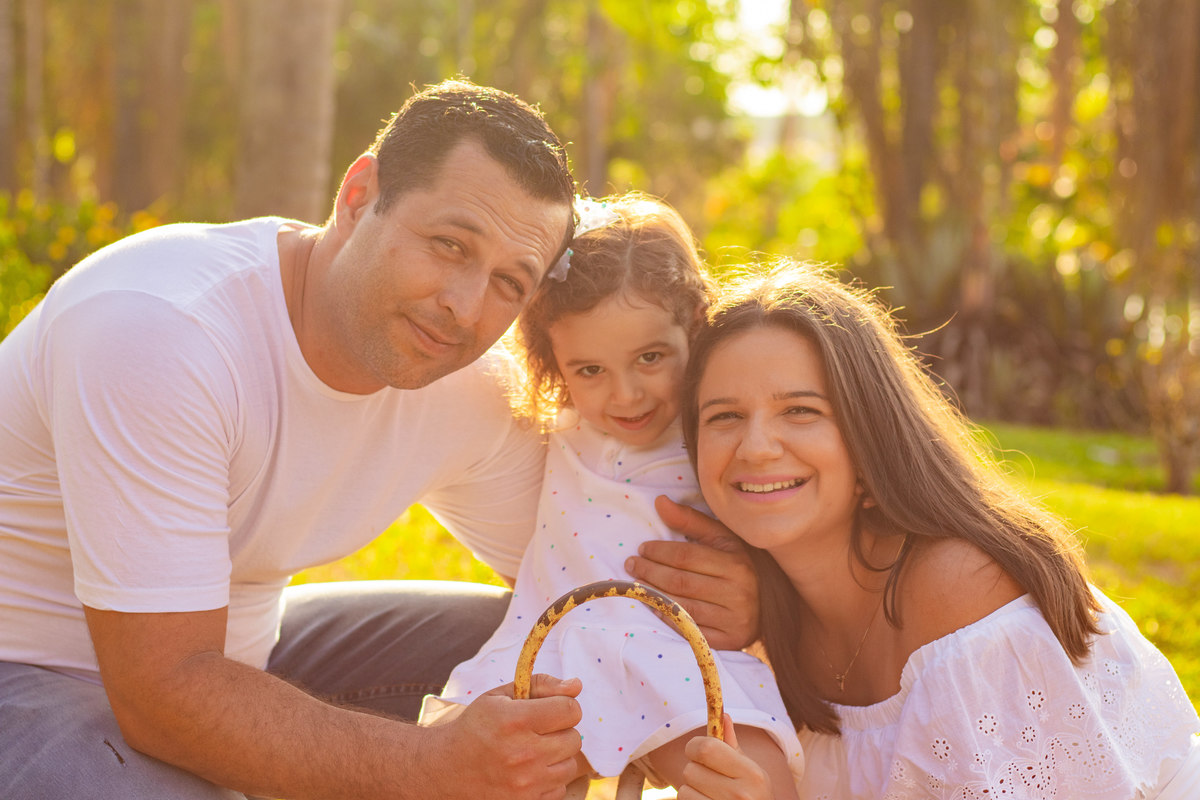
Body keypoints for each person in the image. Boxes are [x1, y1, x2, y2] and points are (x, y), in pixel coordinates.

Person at [0, 80, 758, 800]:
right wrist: (428, 765)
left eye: (508, 282)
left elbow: (592, 563)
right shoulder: (162, 332)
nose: (463, 308)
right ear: (358, 196)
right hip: (28, 669)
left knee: (539, 655)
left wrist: (753, 600)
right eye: (450, 245)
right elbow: (163, 695)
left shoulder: (466, 379)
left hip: (234, 654)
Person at [675, 261, 1200, 799]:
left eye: (800, 411)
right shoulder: (761, 620)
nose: (756, 446)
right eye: (724, 417)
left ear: (869, 435)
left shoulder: (960, 595)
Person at [419, 195, 805, 798]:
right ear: (554, 364)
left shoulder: (719, 434)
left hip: (675, 658)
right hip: (560, 658)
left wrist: (759, 589)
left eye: (650, 358)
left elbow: (791, 542)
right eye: (590, 370)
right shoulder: (564, 428)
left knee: (756, 776)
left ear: (696, 325)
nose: (625, 396)